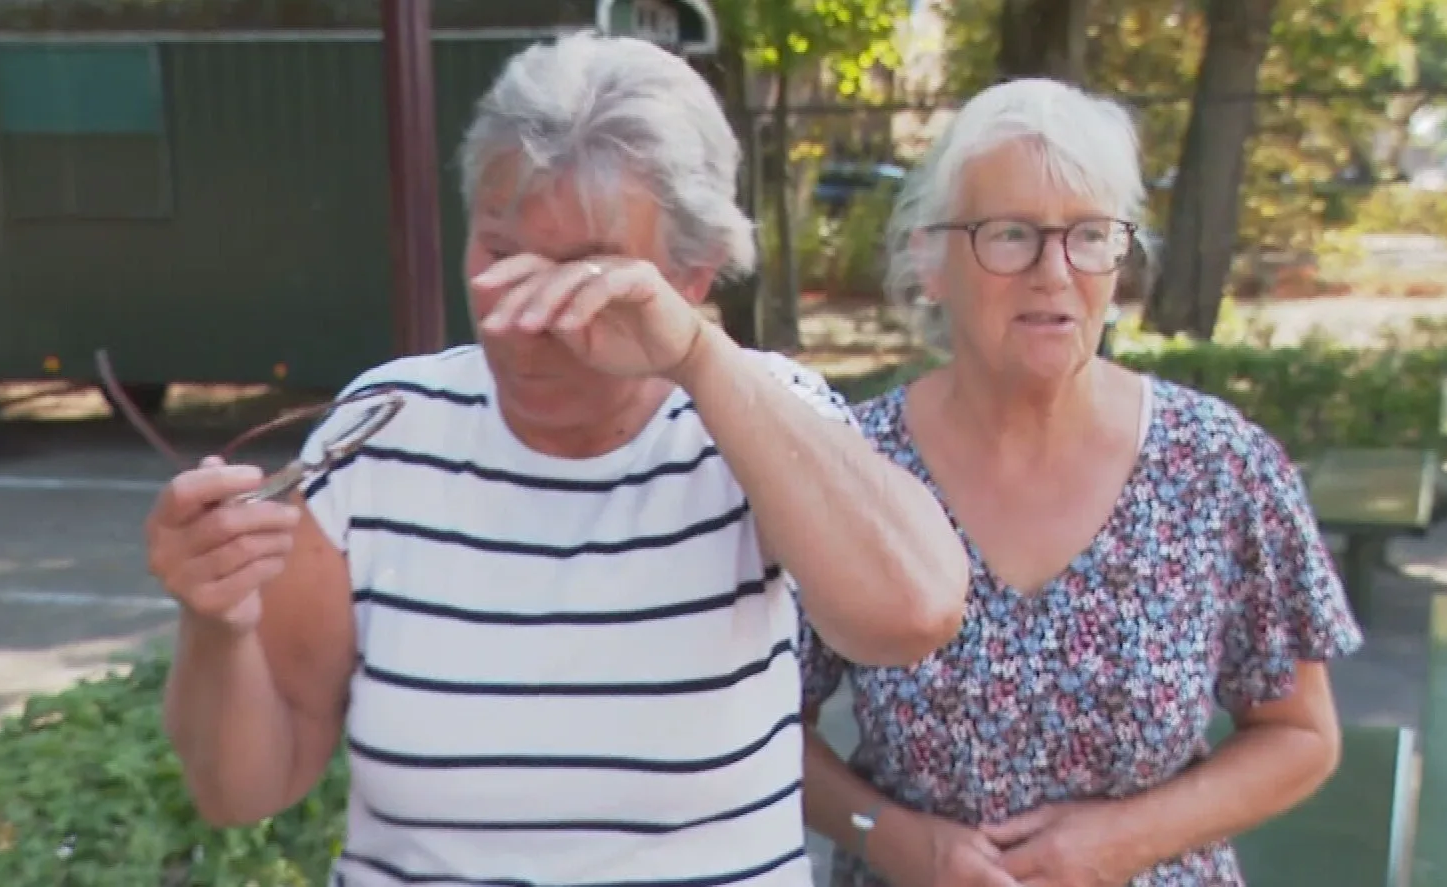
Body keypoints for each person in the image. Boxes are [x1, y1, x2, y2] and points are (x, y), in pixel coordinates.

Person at [145, 31, 971, 887]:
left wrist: (694, 358)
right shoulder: (382, 434)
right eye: (499, 255)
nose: (520, 316)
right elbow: (240, 789)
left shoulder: (756, 414)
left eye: (585, 275)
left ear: (692, 278)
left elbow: (912, 613)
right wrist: (218, 621)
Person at [799, 78, 1363, 887]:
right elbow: (764, 721)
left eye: (1088, 236)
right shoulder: (850, 467)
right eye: (1009, 235)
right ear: (929, 260)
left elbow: (1301, 734)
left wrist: (1125, 839)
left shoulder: (1215, 464)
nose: (1053, 271)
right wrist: (890, 838)